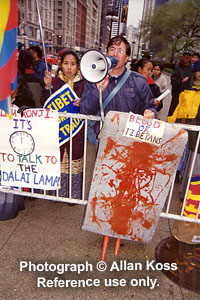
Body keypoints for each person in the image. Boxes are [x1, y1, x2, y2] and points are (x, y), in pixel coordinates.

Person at [80, 35, 157, 140]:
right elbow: (85, 110)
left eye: (120, 51)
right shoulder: (94, 79)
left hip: (129, 139)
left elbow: (151, 106)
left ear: (127, 58)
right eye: (112, 49)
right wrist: (98, 92)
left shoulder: (138, 81)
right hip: (103, 138)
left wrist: (150, 113)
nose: (115, 54)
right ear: (107, 53)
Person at [43, 50, 85, 199]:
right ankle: (56, 194)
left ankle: (73, 196)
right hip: (58, 130)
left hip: (76, 131)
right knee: (58, 160)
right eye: (66, 63)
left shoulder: (84, 83)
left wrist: (84, 102)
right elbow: (45, 103)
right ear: (60, 64)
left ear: (78, 66)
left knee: (74, 160)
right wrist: (47, 87)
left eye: (72, 64)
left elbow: (91, 104)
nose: (69, 68)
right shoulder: (54, 81)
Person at [168, 49, 193, 116]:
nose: (186, 58)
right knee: (173, 114)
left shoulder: (193, 69)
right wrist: (181, 81)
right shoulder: (177, 67)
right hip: (177, 95)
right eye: (185, 56)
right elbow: (173, 81)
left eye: (188, 56)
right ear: (182, 57)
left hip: (189, 95)